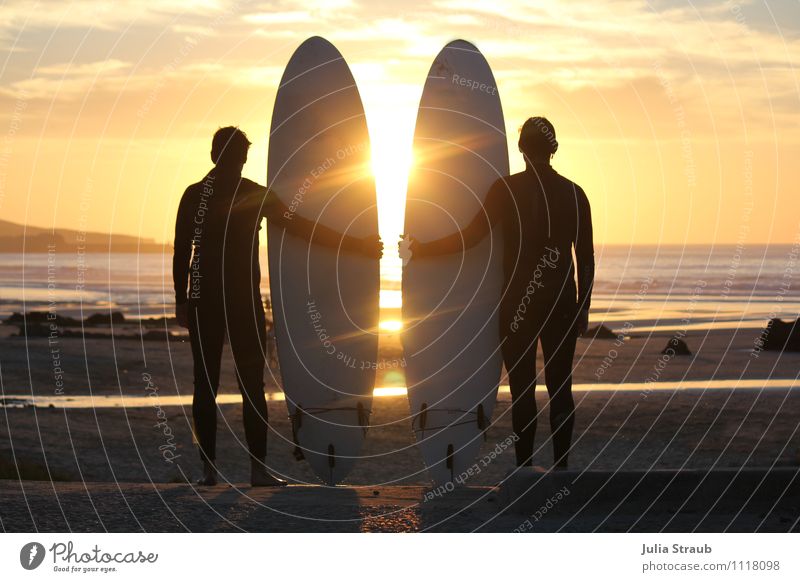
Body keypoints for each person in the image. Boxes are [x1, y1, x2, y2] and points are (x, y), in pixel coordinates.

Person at [173, 126, 382, 486]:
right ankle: (257, 470)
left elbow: (182, 252)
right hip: (242, 301)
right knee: (251, 385)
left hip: (204, 300)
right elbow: (304, 228)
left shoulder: (195, 195)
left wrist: (181, 299)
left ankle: (209, 471)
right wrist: (355, 244)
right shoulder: (254, 195)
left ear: (212, 155)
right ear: (243, 158)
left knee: (204, 384)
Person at [405, 117, 594, 470]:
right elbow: (585, 258)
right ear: (553, 148)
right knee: (560, 387)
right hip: (561, 304)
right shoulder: (575, 193)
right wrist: (583, 309)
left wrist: (423, 249)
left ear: (521, 148)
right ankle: (562, 468)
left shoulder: (505, 190)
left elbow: (470, 237)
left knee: (522, 390)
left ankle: (525, 469)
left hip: (519, 304)